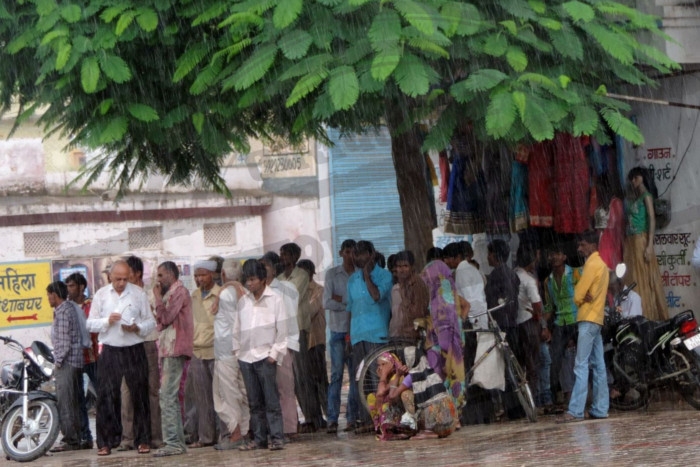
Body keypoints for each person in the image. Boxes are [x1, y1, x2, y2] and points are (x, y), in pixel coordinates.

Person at [86, 260, 155, 456]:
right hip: (110, 350)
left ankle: (143, 440)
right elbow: (90, 324)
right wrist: (106, 321)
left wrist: (137, 328)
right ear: (110, 277)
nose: (122, 283)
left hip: (134, 349)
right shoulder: (101, 295)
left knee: (140, 396)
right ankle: (106, 442)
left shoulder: (138, 294)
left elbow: (150, 322)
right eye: (118, 279)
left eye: (125, 279)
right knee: (106, 397)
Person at [234, 259, 288, 451]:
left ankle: (277, 438)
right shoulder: (243, 302)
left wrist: (274, 354)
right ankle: (259, 439)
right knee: (254, 402)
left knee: (271, 400)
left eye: (253, 279)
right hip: (246, 358)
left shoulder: (276, 300)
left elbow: (282, 331)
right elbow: (236, 329)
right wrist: (238, 352)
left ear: (263, 279)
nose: (249, 284)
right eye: (247, 280)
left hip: (266, 357)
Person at [557, 231, 610, 423]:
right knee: (599, 365)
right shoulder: (602, 265)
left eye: (582, 245)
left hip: (587, 319)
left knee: (580, 365)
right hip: (597, 319)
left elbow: (578, 294)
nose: (579, 249)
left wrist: (580, 296)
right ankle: (600, 408)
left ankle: (575, 410)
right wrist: (582, 294)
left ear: (593, 245)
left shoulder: (591, 264)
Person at [347, 240, 393, 434]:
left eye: (362, 254)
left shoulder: (384, 275)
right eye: (355, 254)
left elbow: (376, 296)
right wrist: (349, 337)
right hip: (357, 335)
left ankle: (382, 419)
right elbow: (351, 309)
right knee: (360, 379)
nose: (358, 258)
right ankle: (367, 419)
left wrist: (367, 275)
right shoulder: (352, 280)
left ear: (372, 254)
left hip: (377, 334)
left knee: (377, 378)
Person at [118, 255, 162, 451]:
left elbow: (157, 318)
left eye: (126, 274)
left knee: (151, 391)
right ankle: (128, 438)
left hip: (147, 344)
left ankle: (155, 437)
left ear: (136, 274)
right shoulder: (120, 295)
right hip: (127, 346)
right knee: (127, 392)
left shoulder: (151, 294)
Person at [152, 261, 193, 458]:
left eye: (161, 275)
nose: (158, 280)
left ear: (170, 274)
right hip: (169, 347)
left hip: (175, 348)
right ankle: (177, 442)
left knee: (167, 396)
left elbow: (166, 318)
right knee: (170, 397)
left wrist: (157, 298)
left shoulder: (179, 292)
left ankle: (173, 443)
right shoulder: (172, 293)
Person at [278, 243, 321, 433]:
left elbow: (290, 296)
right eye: (282, 254)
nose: (283, 258)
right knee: (291, 378)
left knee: (303, 375)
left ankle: (313, 418)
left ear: (295, 256)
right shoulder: (279, 278)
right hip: (284, 331)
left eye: (287, 254)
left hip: (298, 330)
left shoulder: (301, 275)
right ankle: (302, 418)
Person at [260, 252, 300, 440]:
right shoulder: (257, 291)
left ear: (274, 270)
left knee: (285, 388)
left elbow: (288, 317)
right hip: (263, 347)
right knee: (268, 390)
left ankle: (289, 428)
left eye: (265, 266)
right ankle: (274, 429)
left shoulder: (286, 288)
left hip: (282, 344)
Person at [212, 259, 250, 451]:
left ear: (223, 274)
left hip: (227, 351)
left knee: (226, 395)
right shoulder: (244, 292)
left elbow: (235, 323)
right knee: (241, 393)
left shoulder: (227, 294)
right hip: (241, 350)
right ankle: (244, 431)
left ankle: (236, 434)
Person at [323, 239, 358, 434]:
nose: (350, 256)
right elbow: (326, 302)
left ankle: (352, 417)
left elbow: (359, 302)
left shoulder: (360, 274)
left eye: (353, 252)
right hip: (338, 331)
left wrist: (340, 300)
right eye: (347, 252)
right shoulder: (332, 274)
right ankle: (332, 418)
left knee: (354, 377)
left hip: (356, 331)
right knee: (336, 376)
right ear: (341, 253)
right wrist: (347, 304)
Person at [623, 167, 668, 321]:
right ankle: (635, 316)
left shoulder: (646, 196)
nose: (633, 181)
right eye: (632, 179)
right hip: (630, 242)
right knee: (633, 277)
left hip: (640, 240)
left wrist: (649, 245)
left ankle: (648, 316)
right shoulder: (634, 198)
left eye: (635, 178)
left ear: (642, 178)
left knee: (644, 278)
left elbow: (652, 219)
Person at [421, 260, 467, 409]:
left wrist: (458, 324)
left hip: (450, 342)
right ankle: (445, 410)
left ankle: (453, 410)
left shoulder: (449, 295)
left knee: (452, 374)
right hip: (436, 343)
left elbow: (465, 307)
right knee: (439, 375)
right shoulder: (431, 296)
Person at [187, 260, 221, 448]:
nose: (199, 279)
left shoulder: (221, 294)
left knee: (220, 396)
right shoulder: (193, 296)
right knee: (202, 398)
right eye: (197, 275)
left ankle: (225, 435)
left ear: (213, 275)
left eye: (203, 275)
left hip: (216, 350)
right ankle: (206, 437)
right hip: (197, 352)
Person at [48, 281, 84, 453]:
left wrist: (57, 363)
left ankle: (70, 439)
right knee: (73, 402)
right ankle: (78, 437)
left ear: (55, 295)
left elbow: (64, 343)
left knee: (65, 403)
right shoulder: (69, 308)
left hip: (67, 363)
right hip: (75, 362)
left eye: (49, 295)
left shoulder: (62, 312)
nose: (48, 299)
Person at [543, 244, 580, 409]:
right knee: (555, 360)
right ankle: (556, 397)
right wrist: (543, 325)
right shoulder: (548, 281)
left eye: (557, 253)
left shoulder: (576, 274)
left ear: (564, 257)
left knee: (587, 358)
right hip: (560, 322)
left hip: (577, 320)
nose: (554, 257)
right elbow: (549, 307)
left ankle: (605, 390)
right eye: (552, 254)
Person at [64, 272, 98, 450]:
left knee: (103, 397)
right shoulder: (66, 307)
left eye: (71, 286)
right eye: (67, 286)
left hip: (93, 358)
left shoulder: (91, 305)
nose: (68, 290)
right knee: (78, 401)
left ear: (81, 287)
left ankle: (110, 435)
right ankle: (86, 437)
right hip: (76, 359)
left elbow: (93, 329)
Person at [297, 259, 329, 433]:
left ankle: (329, 415)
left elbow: (308, 312)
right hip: (301, 343)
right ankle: (313, 418)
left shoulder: (318, 291)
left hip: (315, 341)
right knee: (305, 382)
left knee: (320, 380)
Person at [513, 244, 543, 409]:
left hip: (515, 324)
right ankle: (534, 400)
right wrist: (539, 319)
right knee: (532, 364)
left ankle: (521, 402)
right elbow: (537, 304)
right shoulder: (529, 280)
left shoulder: (513, 275)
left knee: (520, 364)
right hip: (528, 323)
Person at [388, 250, 429, 340]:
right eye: (399, 266)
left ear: (412, 267)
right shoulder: (398, 286)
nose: (402, 270)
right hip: (398, 334)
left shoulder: (416, 284)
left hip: (412, 335)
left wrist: (405, 299)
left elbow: (418, 313)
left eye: (405, 266)